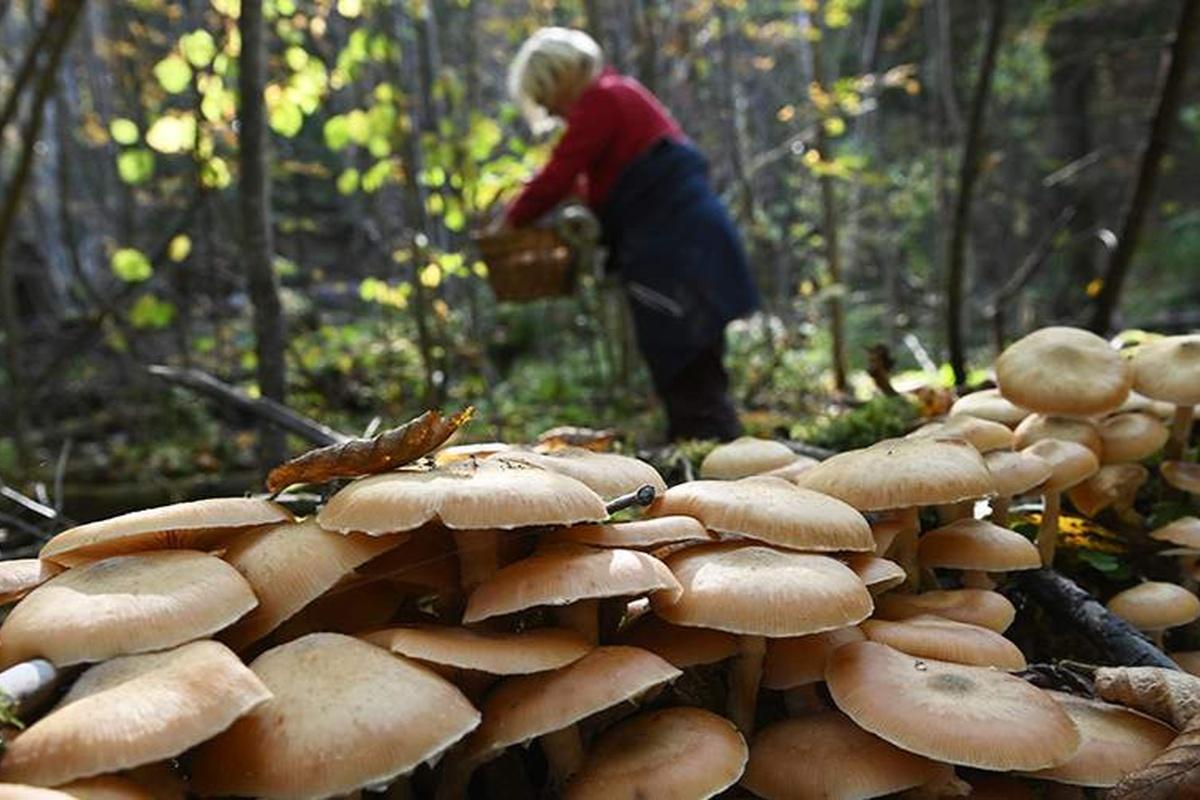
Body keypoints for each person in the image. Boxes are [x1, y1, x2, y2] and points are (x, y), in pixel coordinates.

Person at [502, 27, 759, 442]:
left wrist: (511, 220)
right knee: (688, 367)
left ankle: (714, 468)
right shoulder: (618, 100)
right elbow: (593, 182)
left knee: (689, 364)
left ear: (562, 78)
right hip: (680, 243)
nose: (559, 118)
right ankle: (705, 458)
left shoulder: (606, 97)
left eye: (553, 103)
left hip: (677, 247)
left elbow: (558, 173)